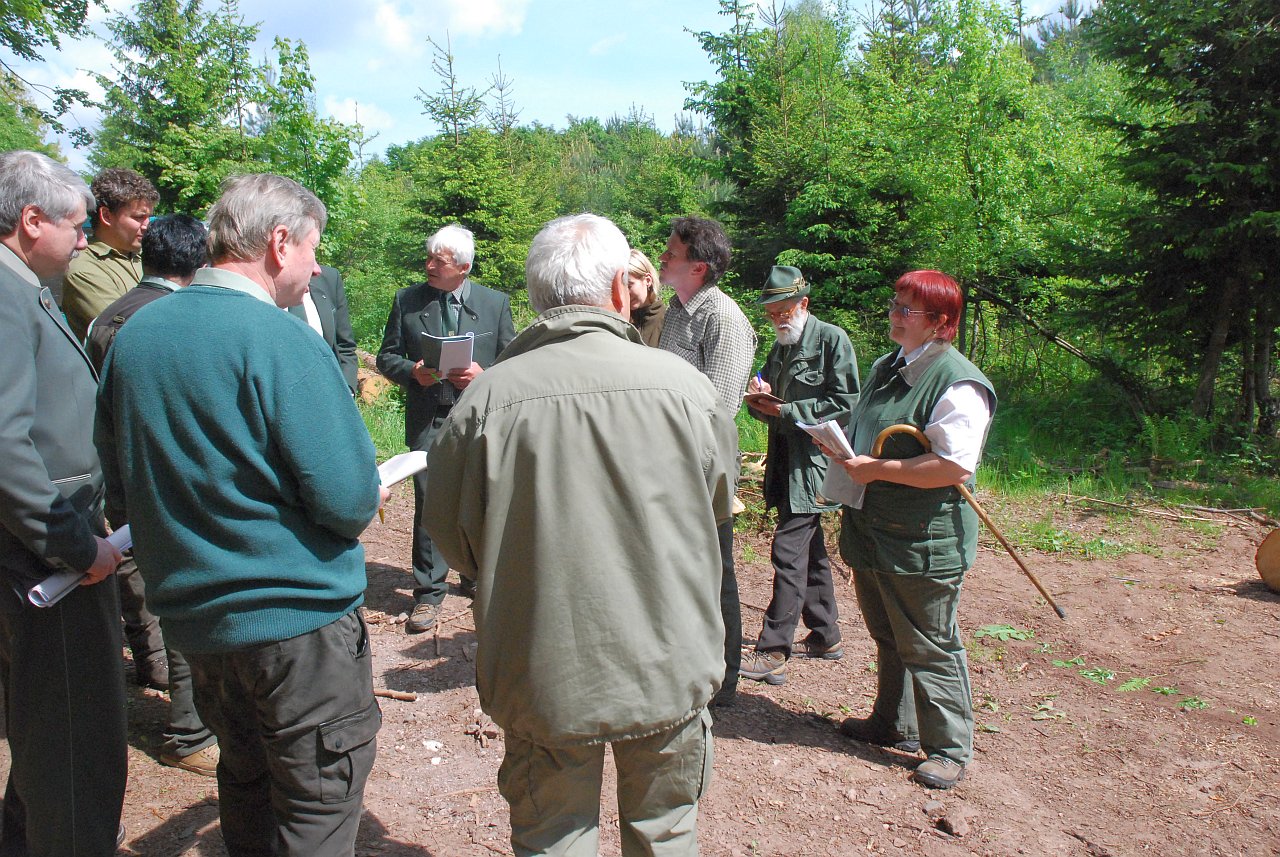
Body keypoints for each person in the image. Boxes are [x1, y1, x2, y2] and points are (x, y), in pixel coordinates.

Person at [95, 173, 388, 854]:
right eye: (313, 249)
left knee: (247, 786)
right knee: (316, 807)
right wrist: (367, 492)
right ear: (280, 242)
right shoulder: (283, 340)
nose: (317, 268)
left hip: (198, 628)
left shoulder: (134, 337)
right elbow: (346, 501)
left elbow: (120, 487)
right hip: (299, 627)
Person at [424, 213, 732, 856]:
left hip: (542, 664)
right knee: (667, 829)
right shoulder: (687, 390)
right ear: (621, 288)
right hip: (668, 656)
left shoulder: (485, 401)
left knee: (554, 836)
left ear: (537, 296)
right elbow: (716, 508)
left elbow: (453, 538)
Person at [821, 270, 995, 790]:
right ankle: (892, 722)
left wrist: (877, 469)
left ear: (940, 323)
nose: (894, 315)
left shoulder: (958, 383)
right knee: (888, 632)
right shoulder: (889, 366)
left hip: (923, 540)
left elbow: (952, 467)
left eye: (907, 309)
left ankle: (949, 749)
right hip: (875, 530)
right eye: (895, 304)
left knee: (929, 642)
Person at [0, 149, 126, 856]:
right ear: (31, 219)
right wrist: (78, 550)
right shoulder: (5, 292)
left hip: (47, 545)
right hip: (46, 558)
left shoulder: (23, 285)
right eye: (77, 227)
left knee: (48, 735)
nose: (84, 241)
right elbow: (4, 443)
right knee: (73, 740)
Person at [85, 214, 220, 778]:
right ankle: (190, 733)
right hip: (171, 487)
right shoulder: (174, 321)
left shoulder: (106, 318)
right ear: (200, 263)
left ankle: (151, 668)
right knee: (187, 600)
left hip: (121, 481)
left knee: (145, 585)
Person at [376, 224, 516, 633]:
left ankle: (475, 576)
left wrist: (484, 375)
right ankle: (428, 593)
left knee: (481, 496)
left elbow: (512, 362)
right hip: (430, 417)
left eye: (439, 261)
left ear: (464, 267)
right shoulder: (407, 300)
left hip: (479, 416)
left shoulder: (494, 303)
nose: (429, 266)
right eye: (429, 258)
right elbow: (386, 357)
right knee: (430, 502)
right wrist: (412, 372)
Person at [739, 265, 859, 686]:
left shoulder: (831, 340)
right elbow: (768, 398)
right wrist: (758, 397)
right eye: (771, 313)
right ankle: (826, 635)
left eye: (784, 311)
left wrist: (786, 410)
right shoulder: (781, 347)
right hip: (784, 463)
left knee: (788, 553)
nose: (777, 319)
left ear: (803, 303)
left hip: (814, 466)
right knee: (811, 552)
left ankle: (773, 650)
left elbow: (846, 404)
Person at [658, 215, 756, 707]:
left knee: (715, 569)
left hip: (702, 468)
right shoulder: (677, 311)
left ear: (698, 267)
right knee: (675, 569)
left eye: (671, 253)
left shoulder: (725, 319)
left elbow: (718, 408)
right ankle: (684, 664)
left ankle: (726, 678)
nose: (661, 258)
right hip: (668, 461)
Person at [60, 167, 158, 340]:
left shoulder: (147, 256)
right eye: (138, 217)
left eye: (149, 217)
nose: (147, 225)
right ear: (106, 215)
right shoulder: (84, 269)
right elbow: (130, 331)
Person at [289, 264, 359, 395]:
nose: (317, 269)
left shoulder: (329, 278)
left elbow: (345, 347)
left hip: (330, 395)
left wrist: (346, 391)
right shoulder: (260, 290)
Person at [626, 247, 666, 347]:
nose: (625, 294)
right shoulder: (621, 319)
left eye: (629, 286)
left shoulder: (667, 320)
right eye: (621, 288)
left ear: (648, 280)